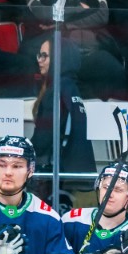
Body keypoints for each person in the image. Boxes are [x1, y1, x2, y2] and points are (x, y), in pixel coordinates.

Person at [31, 38, 96, 174]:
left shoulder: (56, 90)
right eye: (39, 55)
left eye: (44, 56)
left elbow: (44, 137)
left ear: (59, 58)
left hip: (62, 175)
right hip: (80, 170)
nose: (39, 60)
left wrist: (24, 153)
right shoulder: (71, 87)